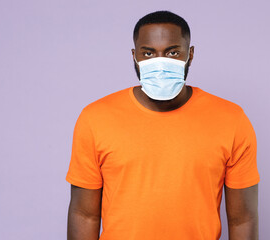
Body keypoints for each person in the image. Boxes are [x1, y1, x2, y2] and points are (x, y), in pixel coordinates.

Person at [66, 10, 260, 240]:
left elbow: (242, 218)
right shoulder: (95, 118)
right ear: (134, 56)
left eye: (172, 52)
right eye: (148, 53)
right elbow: (84, 213)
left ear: (190, 55)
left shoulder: (231, 119)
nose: (160, 63)